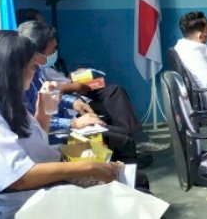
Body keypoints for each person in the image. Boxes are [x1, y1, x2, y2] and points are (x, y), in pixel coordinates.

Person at [0, 31, 122, 218]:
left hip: (46, 189)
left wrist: (44, 110)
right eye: (32, 67)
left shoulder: (8, 102)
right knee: (127, 194)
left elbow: (35, 143)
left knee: (129, 183)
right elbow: (19, 178)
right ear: (13, 71)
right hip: (27, 206)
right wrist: (88, 167)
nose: (34, 73)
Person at [17, 20, 168, 154]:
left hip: (64, 112)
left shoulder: (36, 71)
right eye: (52, 50)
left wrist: (73, 102)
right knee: (120, 140)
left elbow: (50, 95)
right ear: (37, 53)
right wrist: (72, 123)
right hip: (51, 131)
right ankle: (133, 150)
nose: (54, 53)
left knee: (115, 97)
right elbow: (32, 121)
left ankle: (137, 143)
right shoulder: (20, 79)